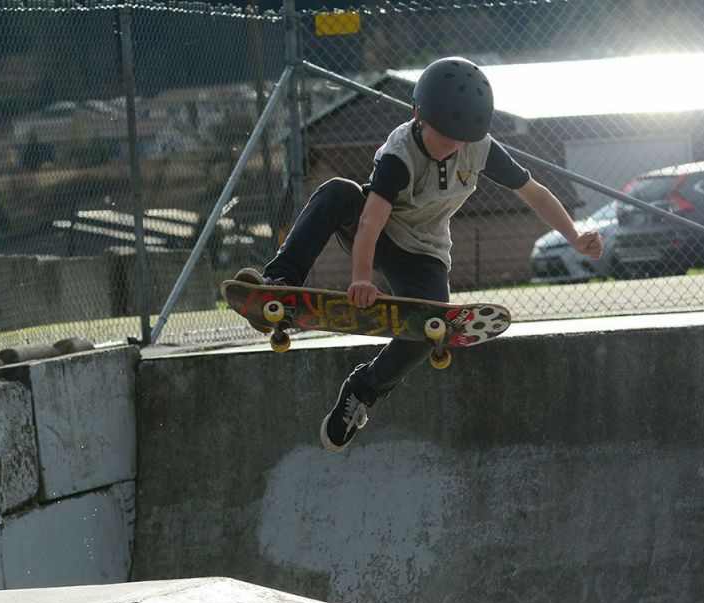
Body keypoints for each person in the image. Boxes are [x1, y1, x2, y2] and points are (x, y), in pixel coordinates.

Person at [237, 57, 604, 452]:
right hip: (376, 232)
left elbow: (533, 192)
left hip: (424, 253)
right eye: (443, 136)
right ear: (418, 116)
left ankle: (361, 390)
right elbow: (371, 222)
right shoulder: (399, 154)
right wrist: (361, 277)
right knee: (338, 191)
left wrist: (573, 234)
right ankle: (280, 282)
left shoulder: (479, 147)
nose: (451, 147)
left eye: (460, 139)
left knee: (431, 324)